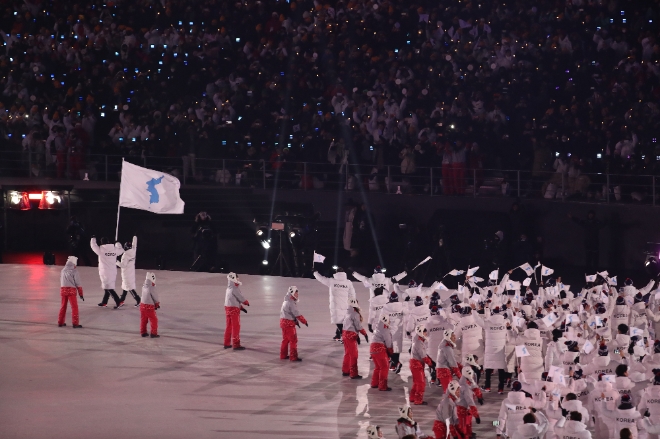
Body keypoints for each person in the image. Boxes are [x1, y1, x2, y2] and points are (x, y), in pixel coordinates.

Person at [313, 268, 356, 341]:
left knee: (338, 320)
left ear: (336, 273)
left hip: (335, 304)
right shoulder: (348, 282)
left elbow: (321, 279)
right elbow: (352, 294)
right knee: (342, 319)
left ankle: (343, 335)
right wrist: (353, 304)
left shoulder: (332, 281)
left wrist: (315, 273)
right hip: (346, 304)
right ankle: (338, 334)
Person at [90, 236, 124, 308]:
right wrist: (117, 243)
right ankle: (104, 302)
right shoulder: (114, 249)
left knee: (108, 287)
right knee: (107, 286)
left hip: (104, 271)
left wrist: (93, 238)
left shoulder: (101, 250)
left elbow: (93, 246)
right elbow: (121, 250)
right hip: (113, 271)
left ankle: (118, 301)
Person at [342, 298, 369, 379]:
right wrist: (364, 334)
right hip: (351, 335)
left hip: (344, 334)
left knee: (347, 353)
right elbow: (358, 326)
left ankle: (345, 370)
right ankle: (353, 373)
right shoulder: (355, 314)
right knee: (354, 355)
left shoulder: (347, 312)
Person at [279, 286, 308, 362]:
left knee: (285, 340)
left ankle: (283, 355)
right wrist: (304, 321)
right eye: (296, 292)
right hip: (289, 324)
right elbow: (296, 314)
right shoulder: (291, 302)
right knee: (293, 340)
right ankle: (293, 357)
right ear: (292, 293)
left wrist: (296, 322)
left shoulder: (286, 301)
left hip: (283, 322)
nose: (297, 294)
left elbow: (290, 314)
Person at [409, 325, 434, 405]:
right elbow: (423, 356)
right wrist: (431, 364)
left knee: (416, 382)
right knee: (421, 383)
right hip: (416, 364)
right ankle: (418, 400)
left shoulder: (418, 340)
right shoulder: (419, 342)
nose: (426, 333)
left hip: (415, 364)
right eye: (425, 331)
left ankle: (412, 397)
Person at [224, 272, 249, 350]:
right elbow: (240, 297)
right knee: (236, 327)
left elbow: (232, 300)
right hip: (234, 310)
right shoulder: (235, 289)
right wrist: (246, 302)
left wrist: (241, 307)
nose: (238, 279)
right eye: (237, 278)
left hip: (228, 308)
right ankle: (236, 344)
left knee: (229, 326)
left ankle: (226, 343)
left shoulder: (228, 288)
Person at [58, 256, 84, 328]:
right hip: (71, 291)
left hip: (63, 290)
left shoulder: (63, 270)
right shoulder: (74, 271)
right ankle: (75, 323)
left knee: (63, 306)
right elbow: (78, 283)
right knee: (74, 307)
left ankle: (60, 322)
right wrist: (81, 293)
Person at [370, 314, 394, 391]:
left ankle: (374, 383)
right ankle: (382, 386)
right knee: (384, 367)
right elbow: (388, 342)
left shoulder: (377, 328)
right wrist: (391, 352)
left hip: (372, 348)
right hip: (379, 348)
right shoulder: (385, 329)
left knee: (377, 367)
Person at [117, 236, 140, 307]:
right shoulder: (133, 250)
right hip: (131, 271)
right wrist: (135, 237)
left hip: (126, 273)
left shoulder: (125, 255)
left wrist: (116, 262)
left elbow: (123, 265)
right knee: (125, 287)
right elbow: (134, 244)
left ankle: (138, 300)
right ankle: (121, 300)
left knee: (129, 287)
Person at [140, 272, 160, 338]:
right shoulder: (152, 287)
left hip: (142, 305)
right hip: (149, 306)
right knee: (154, 320)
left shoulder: (144, 286)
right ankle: (154, 333)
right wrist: (157, 304)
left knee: (144, 319)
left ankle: (143, 332)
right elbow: (155, 297)